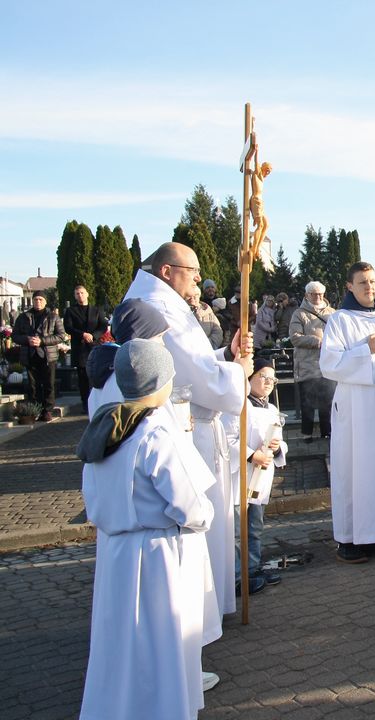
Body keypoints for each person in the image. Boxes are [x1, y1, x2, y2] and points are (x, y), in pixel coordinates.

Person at [78, 339, 216, 720]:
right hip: (156, 556)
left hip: (114, 553)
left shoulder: (105, 424)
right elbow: (188, 503)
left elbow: (91, 495)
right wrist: (203, 516)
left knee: (119, 645)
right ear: (161, 381)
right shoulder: (155, 431)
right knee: (156, 646)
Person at [125, 242, 252, 623]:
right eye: (192, 271)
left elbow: (194, 365)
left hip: (191, 422)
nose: (198, 279)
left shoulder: (164, 303)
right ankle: (199, 618)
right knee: (201, 520)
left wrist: (226, 357)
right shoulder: (159, 309)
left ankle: (207, 612)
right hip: (187, 430)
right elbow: (199, 380)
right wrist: (238, 373)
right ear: (167, 271)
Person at [320, 262, 375, 563]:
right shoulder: (340, 320)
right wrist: (365, 351)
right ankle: (348, 540)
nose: (369, 287)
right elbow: (329, 364)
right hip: (355, 406)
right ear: (349, 286)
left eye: (372, 281)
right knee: (352, 471)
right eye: (362, 282)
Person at [227, 359, 288, 593]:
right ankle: (236, 576)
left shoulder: (272, 409)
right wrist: (252, 455)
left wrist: (278, 447)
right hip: (240, 475)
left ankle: (252, 569)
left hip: (261, 477)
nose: (269, 382)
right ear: (249, 377)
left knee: (254, 527)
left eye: (273, 378)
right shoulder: (237, 405)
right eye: (263, 376)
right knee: (236, 530)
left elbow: (280, 440)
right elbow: (228, 439)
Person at [86, 299, 171, 416]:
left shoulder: (107, 369)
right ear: (139, 339)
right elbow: (150, 422)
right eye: (159, 336)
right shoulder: (135, 379)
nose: (163, 343)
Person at [289, 281, 335, 442]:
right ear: (306, 295)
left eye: (320, 294)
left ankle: (327, 432)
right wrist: (317, 341)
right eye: (314, 294)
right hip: (307, 364)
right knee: (307, 402)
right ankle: (306, 434)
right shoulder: (299, 313)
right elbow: (295, 337)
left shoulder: (332, 312)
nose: (318, 297)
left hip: (328, 363)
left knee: (328, 400)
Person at [13, 290, 65, 422]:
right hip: (30, 355)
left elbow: (61, 336)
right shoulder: (23, 317)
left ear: (45, 302)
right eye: (36, 299)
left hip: (47, 355)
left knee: (48, 384)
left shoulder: (53, 317)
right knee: (33, 385)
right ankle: (35, 410)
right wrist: (27, 340)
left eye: (40, 299)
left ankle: (47, 410)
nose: (38, 302)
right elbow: (15, 336)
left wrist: (42, 341)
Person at [62, 284, 107, 412]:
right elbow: (68, 327)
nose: (80, 295)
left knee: (96, 375)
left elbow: (103, 326)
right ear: (75, 296)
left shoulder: (96, 310)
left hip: (94, 347)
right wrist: (82, 334)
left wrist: (93, 335)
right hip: (80, 348)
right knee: (83, 378)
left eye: (82, 293)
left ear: (87, 294)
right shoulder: (70, 311)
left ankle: (98, 402)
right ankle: (86, 404)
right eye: (77, 293)